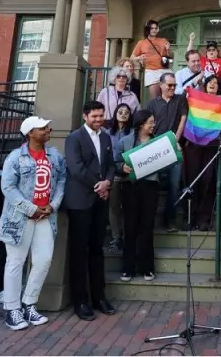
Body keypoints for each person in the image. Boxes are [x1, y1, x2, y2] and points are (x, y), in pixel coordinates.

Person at [0, 116, 66, 331]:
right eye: (43, 128)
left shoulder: (54, 155)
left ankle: (29, 303)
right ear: (30, 133)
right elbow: (8, 188)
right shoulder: (16, 157)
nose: (49, 129)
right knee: (16, 262)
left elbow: (62, 180)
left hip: (46, 217)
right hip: (20, 219)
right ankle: (12, 309)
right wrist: (31, 208)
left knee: (43, 260)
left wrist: (53, 205)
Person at [64, 100, 117, 321]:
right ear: (85, 116)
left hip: (100, 201)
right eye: (94, 116)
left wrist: (108, 182)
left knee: (97, 249)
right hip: (80, 201)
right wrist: (99, 185)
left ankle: (99, 297)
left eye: (101, 115)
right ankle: (80, 301)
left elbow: (111, 165)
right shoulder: (74, 138)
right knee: (78, 252)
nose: (98, 119)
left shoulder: (105, 137)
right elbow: (76, 168)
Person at [116, 110, 160, 282]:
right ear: (141, 124)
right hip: (130, 186)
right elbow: (115, 162)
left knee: (147, 227)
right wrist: (122, 168)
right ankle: (128, 268)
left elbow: (166, 164)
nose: (153, 125)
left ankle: (147, 267)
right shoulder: (125, 141)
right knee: (130, 226)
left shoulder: (158, 142)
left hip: (150, 186)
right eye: (150, 122)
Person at [181, 74, 221, 231]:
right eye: (211, 82)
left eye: (216, 83)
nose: (213, 84)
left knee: (208, 181)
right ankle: (190, 216)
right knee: (192, 180)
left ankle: (204, 219)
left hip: (212, 147)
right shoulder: (196, 99)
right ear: (205, 85)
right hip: (194, 146)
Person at [146, 73, 188, 232]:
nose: (172, 88)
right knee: (153, 184)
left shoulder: (180, 99)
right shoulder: (152, 104)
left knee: (174, 185)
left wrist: (175, 140)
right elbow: (148, 125)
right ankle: (150, 219)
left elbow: (183, 119)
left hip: (175, 148)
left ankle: (170, 220)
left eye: (174, 85)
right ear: (161, 85)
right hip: (156, 148)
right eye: (169, 85)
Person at [105, 103, 133, 253]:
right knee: (113, 207)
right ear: (115, 114)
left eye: (127, 112)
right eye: (120, 111)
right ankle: (116, 238)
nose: (123, 114)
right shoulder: (107, 133)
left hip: (130, 174)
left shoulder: (133, 133)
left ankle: (128, 236)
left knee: (129, 207)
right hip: (114, 175)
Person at [132, 20, 173, 100]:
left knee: (168, 97)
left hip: (164, 70)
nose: (154, 30)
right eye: (151, 28)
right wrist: (139, 58)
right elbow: (132, 58)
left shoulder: (163, 40)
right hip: (151, 71)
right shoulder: (141, 43)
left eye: (156, 28)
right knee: (155, 98)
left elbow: (171, 56)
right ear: (147, 29)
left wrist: (169, 49)